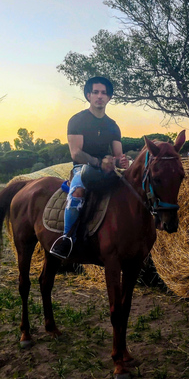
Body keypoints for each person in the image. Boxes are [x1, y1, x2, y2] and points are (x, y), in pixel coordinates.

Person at [50, 76, 129, 259]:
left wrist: (122, 162)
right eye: (95, 92)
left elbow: (117, 155)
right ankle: (67, 238)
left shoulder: (113, 126)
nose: (99, 96)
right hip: (83, 168)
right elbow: (76, 153)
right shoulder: (78, 120)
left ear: (109, 97)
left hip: (107, 169)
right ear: (88, 95)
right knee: (77, 191)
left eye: (104, 93)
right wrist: (98, 162)